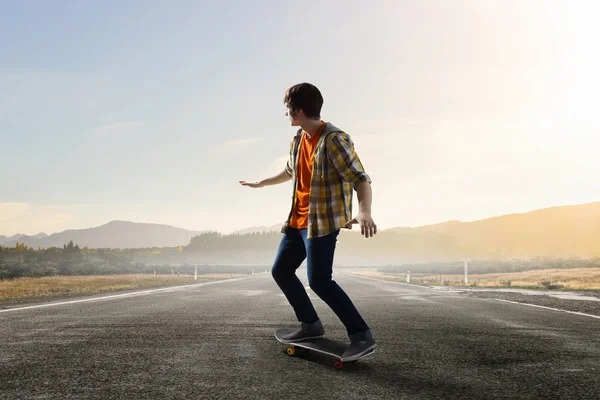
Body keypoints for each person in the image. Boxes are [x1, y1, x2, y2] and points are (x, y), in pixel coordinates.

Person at [239, 82, 377, 361]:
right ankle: (311, 325)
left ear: (299, 110)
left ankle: (361, 336)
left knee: (320, 281)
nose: (286, 114)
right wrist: (261, 183)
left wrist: (364, 211)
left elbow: (360, 178)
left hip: (322, 223)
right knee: (281, 271)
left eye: (287, 109)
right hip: (297, 222)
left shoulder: (334, 140)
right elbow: (289, 170)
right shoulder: (299, 139)